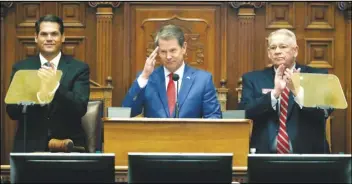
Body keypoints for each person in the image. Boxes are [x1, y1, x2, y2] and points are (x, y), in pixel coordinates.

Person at [238, 29, 333, 154]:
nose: (277, 51)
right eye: (273, 47)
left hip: (309, 155)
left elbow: (324, 112)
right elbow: (245, 112)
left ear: (295, 51)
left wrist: (297, 92)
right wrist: (274, 94)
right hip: (264, 156)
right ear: (268, 53)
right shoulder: (253, 79)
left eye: (283, 46)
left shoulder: (317, 76)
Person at [6, 14, 90, 152]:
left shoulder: (79, 69)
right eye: (44, 34)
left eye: (54, 34)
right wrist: (37, 95)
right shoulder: (21, 68)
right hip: (29, 146)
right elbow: (12, 111)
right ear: (36, 37)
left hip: (68, 145)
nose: (49, 39)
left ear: (63, 37)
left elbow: (80, 108)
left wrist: (55, 86)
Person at [122, 24, 221, 118]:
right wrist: (144, 77)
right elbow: (128, 112)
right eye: (163, 52)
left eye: (173, 50)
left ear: (184, 48)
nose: (168, 57)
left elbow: (214, 117)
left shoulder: (202, 80)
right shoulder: (148, 78)